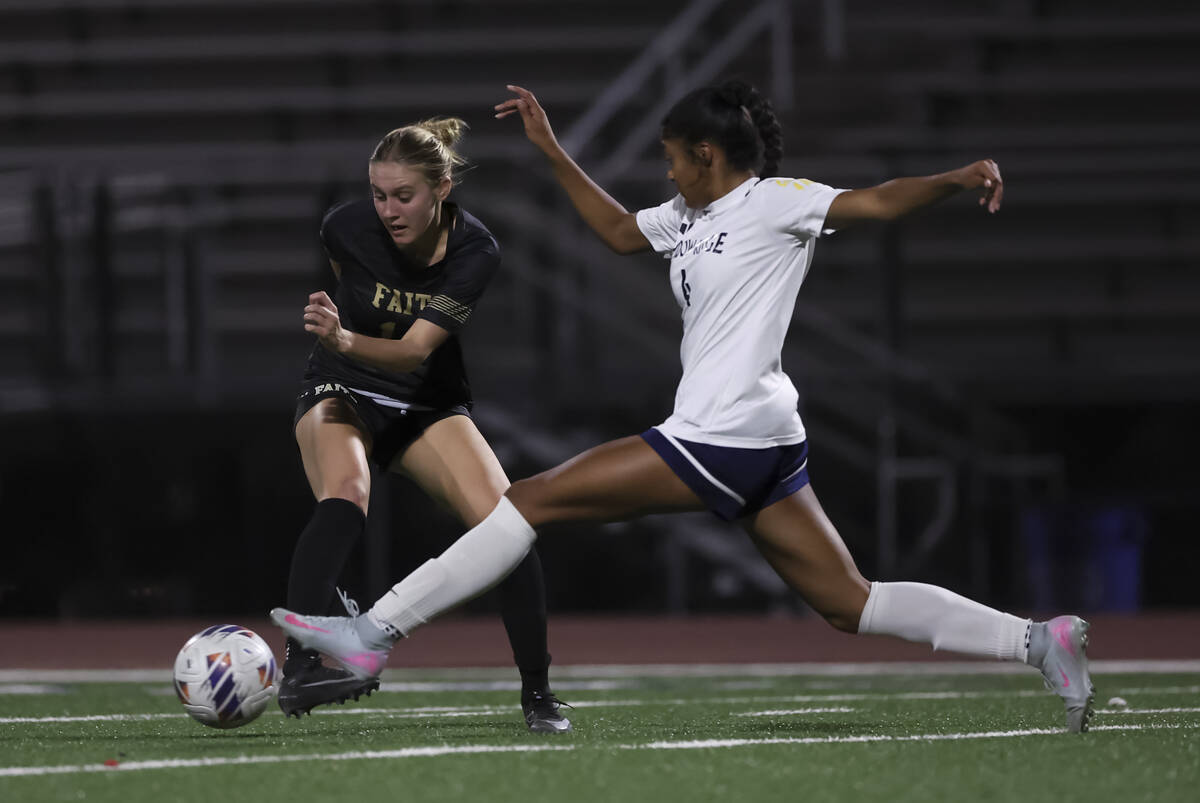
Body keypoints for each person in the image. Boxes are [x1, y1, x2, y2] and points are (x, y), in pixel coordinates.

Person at [272, 82, 1095, 733]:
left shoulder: (776, 201)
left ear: (708, 153)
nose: (667, 172)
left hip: (721, 431)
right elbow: (623, 232)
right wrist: (553, 151)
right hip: (766, 435)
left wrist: (954, 180)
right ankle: (1038, 640)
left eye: (675, 158)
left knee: (526, 501)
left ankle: (371, 635)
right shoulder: (691, 214)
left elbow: (875, 202)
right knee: (851, 602)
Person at [278, 116, 570, 733]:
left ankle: (538, 694)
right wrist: (340, 346)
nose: (387, 210)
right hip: (340, 385)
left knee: (508, 528)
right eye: (378, 194)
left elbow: (414, 352)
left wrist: (347, 337)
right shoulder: (344, 226)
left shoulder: (475, 250)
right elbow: (345, 292)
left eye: (403, 195)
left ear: (442, 188)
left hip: (424, 397)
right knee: (346, 494)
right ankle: (303, 664)